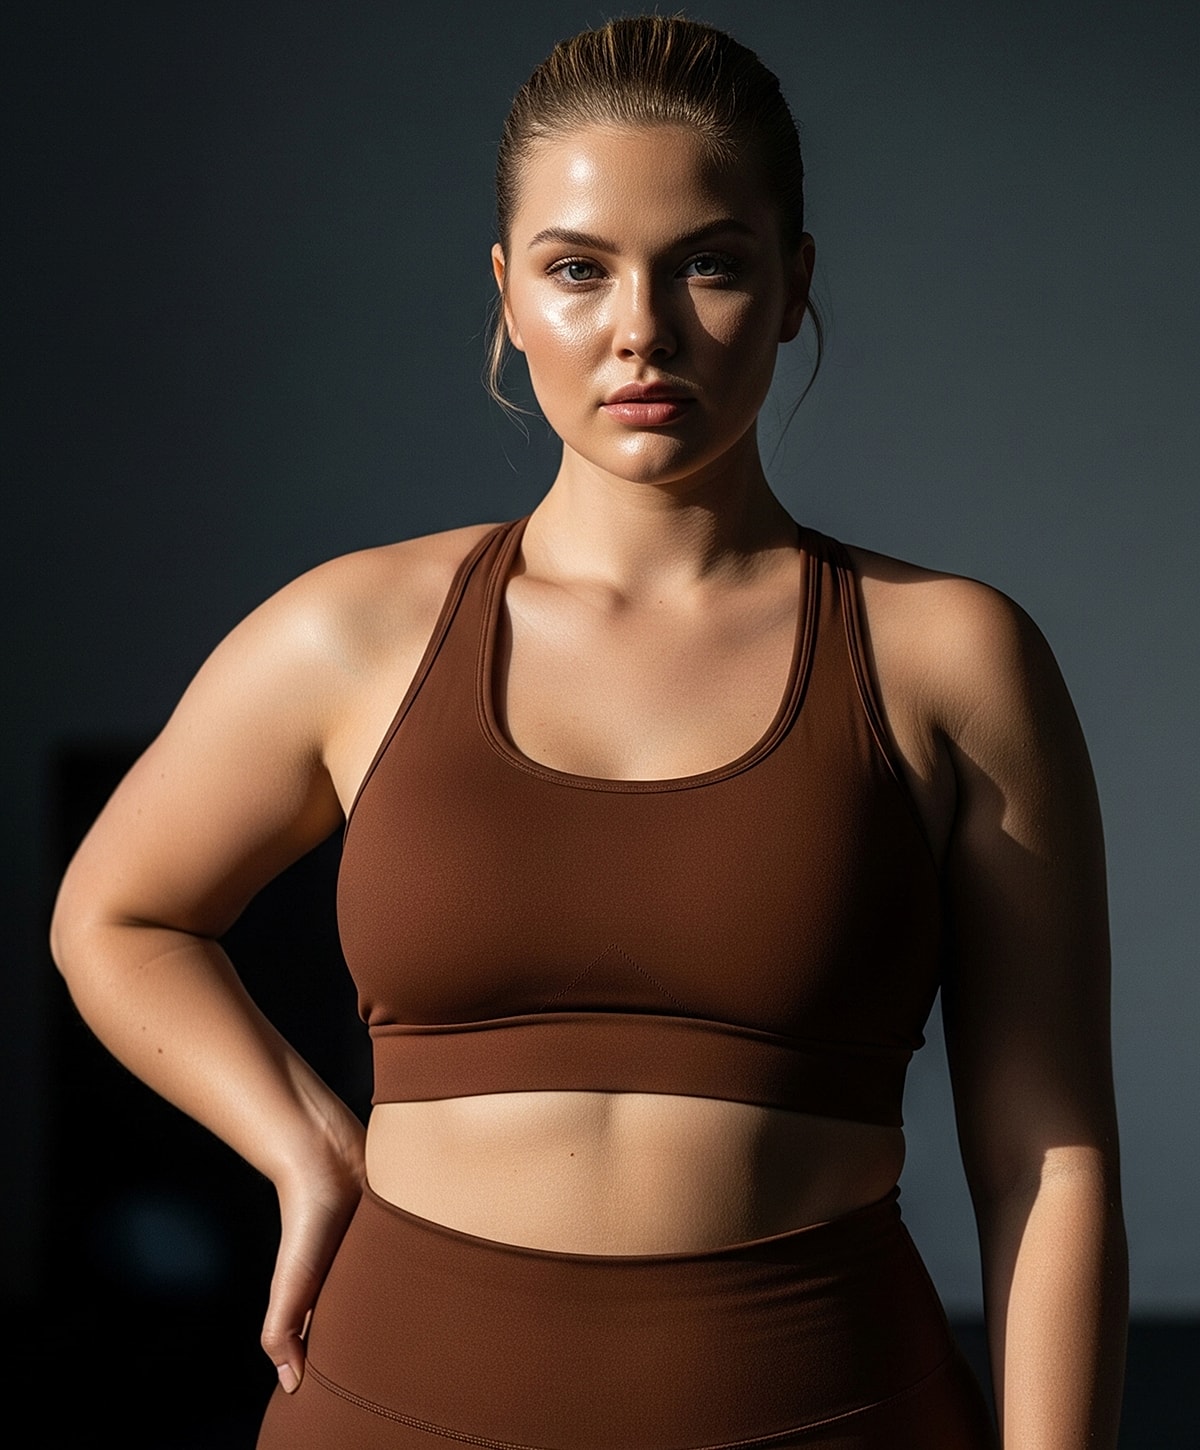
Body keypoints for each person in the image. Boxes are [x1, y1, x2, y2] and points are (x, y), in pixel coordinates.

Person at [50, 15, 1127, 1449]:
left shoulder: (949, 655)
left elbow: (1048, 1156)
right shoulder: (353, 631)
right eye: (578, 268)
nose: (643, 329)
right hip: (388, 1407)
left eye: (711, 262)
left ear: (795, 284)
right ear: (506, 293)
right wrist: (307, 1149)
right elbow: (114, 915)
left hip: (829, 1411)